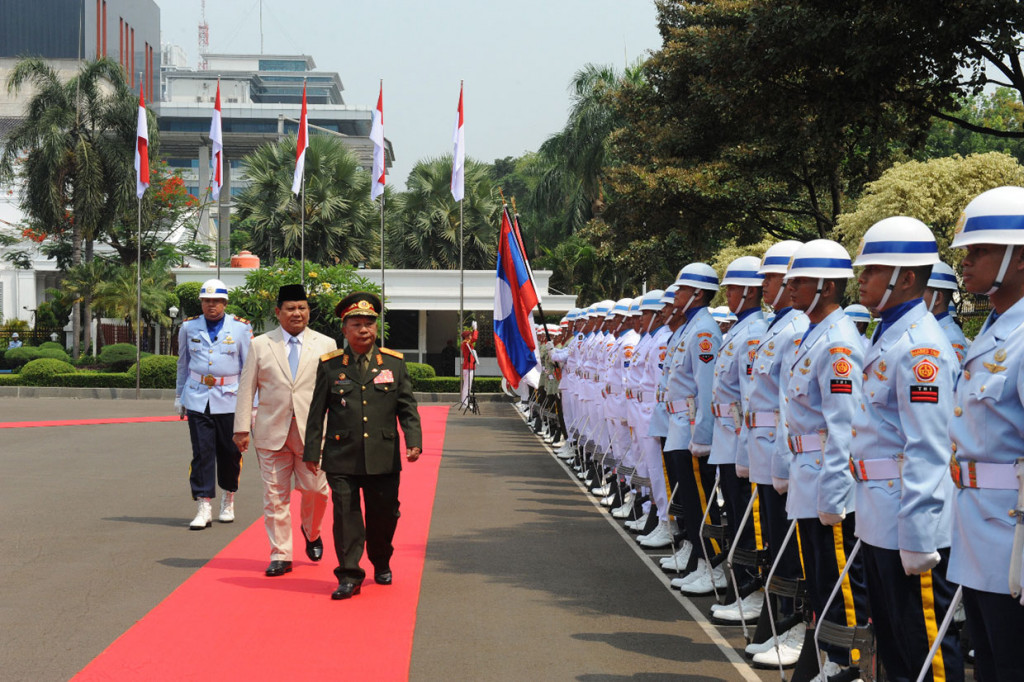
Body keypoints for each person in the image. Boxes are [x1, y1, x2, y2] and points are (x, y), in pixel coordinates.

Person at [851, 217, 964, 682]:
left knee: (926, 651)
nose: (860, 280)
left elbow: (929, 446)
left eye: (871, 270)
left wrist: (918, 535)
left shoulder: (921, 349)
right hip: (882, 514)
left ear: (906, 279)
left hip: (909, 522)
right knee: (895, 647)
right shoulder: (890, 334)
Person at [780, 240, 869, 680]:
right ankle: (828, 656)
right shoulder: (812, 336)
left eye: (799, 280)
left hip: (827, 479)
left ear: (827, 287)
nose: (789, 286)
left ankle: (847, 665)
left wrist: (835, 493)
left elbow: (844, 426)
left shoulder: (837, 344)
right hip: (807, 473)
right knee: (819, 576)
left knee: (839, 582)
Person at [947, 186, 1024, 682]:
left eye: (981, 251)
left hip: (1013, 538)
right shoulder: (995, 329)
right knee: (991, 665)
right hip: (978, 528)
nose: (967, 263)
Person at [303, 291, 422, 600]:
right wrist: (312, 451)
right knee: (345, 517)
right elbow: (317, 412)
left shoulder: (393, 364)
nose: (364, 330)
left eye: (369, 324)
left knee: (383, 516)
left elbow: (407, 407)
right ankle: (349, 574)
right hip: (341, 455)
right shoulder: (330, 366)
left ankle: (381, 560)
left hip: (383, 455)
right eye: (356, 324)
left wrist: (414, 441)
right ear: (344, 330)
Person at [232, 284, 335, 577]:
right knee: (275, 498)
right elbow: (246, 388)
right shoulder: (260, 345)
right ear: (278, 312)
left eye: (302, 307)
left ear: (308, 312)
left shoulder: (326, 344)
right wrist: (241, 428)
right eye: (290, 308)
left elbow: (335, 390)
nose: (297, 313)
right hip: (271, 432)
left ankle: (311, 531)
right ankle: (281, 554)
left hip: (313, 434)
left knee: (316, 491)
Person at [175, 278, 253, 530]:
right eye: (207, 301)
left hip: (230, 398)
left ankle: (228, 497)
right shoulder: (188, 327)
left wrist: (252, 405)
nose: (212, 305)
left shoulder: (240, 328)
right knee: (202, 453)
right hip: (198, 397)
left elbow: (249, 369)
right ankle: (203, 503)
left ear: (225, 302)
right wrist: (179, 396)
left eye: (217, 301)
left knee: (230, 453)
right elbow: (183, 364)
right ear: (201, 302)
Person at [459, 322, 479, 408]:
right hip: (468, 367)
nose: (471, 336)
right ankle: (465, 403)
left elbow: (473, 339)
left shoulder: (467, 343)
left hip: (469, 367)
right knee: (467, 386)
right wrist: (475, 330)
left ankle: (465, 402)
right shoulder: (465, 343)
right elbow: (474, 338)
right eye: (470, 335)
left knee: (468, 386)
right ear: (467, 337)